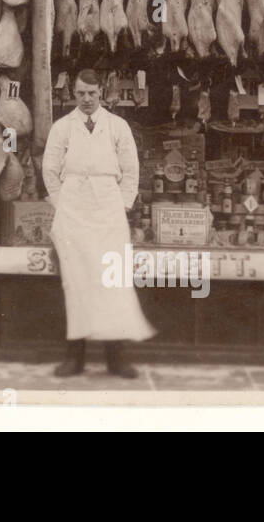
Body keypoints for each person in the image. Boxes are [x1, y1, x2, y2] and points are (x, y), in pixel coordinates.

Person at [41, 69, 155, 378]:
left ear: (101, 92)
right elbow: (50, 170)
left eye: (92, 93)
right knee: (76, 282)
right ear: (73, 95)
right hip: (74, 207)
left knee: (112, 281)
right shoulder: (62, 127)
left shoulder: (117, 127)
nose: (87, 99)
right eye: (81, 94)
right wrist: (62, 203)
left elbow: (131, 170)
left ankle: (115, 360)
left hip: (108, 207)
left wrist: (121, 204)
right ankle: (74, 358)